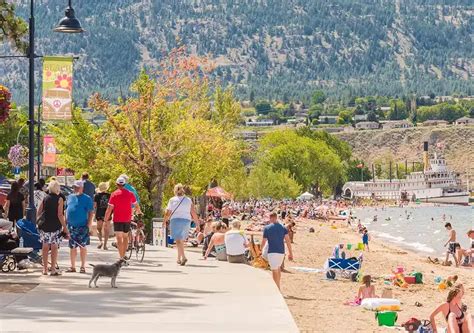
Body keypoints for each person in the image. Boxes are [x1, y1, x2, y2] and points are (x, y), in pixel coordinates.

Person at [36, 180, 68, 276]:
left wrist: (38, 221)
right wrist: (65, 227)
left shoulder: (45, 198)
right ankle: (53, 268)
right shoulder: (60, 199)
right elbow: (60, 214)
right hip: (55, 225)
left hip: (45, 224)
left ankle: (45, 269)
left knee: (45, 246)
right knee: (54, 246)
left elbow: (39, 211)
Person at [104, 177, 140, 260]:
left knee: (119, 238)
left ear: (117, 184)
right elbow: (136, 205)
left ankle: (121, 257)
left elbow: (109, 209)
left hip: (117, 219)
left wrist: (106, 220)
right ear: (124, 184)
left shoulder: (114, 194)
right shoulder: (131, 194)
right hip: (127, 218)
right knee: (125, 237)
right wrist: (138, 212)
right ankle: (123, 255)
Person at [163, 184, 200, 266]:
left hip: (175, 220)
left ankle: (183, 257)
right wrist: (197, 224)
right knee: (181, 240)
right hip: (186, 221)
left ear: (175, 190)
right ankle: (178, 258)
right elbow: (193, 213)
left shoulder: (172, 200)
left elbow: (167, 212)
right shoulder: (188, 200)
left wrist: (164, 221)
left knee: (178, 240)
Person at [65, 180, 94, 273]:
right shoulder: (70, 197)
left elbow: (91, 212)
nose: (75, 189)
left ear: (82, 188)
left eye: (77, 187)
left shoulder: (87, 198)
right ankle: (72, 266)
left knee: (82, 246)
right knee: (72, 247)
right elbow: (66, 211)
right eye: (74, 187)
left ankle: (82, 266)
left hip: (82, 226)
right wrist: (65, 225)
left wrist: (89, 225)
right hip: (71, 226)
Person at [261, 211, 294, 291]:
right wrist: (290, 253)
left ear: (271, 218)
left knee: (274, 271)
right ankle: (278, 287)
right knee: (278, 269)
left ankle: (276, 288)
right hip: (281, 252)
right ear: (276, 217)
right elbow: (288, 240)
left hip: (272, 251)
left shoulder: (267, 228)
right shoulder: (283, 228)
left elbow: (264, 241)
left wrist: (260, 250)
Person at [94, 182, 111, 250]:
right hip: (107, 213)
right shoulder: (110, 195)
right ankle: (105, 245)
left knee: (98, 229)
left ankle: (100, 241)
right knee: (106, 230)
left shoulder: (97, 195)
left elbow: (94, 205)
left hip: (99, 213)